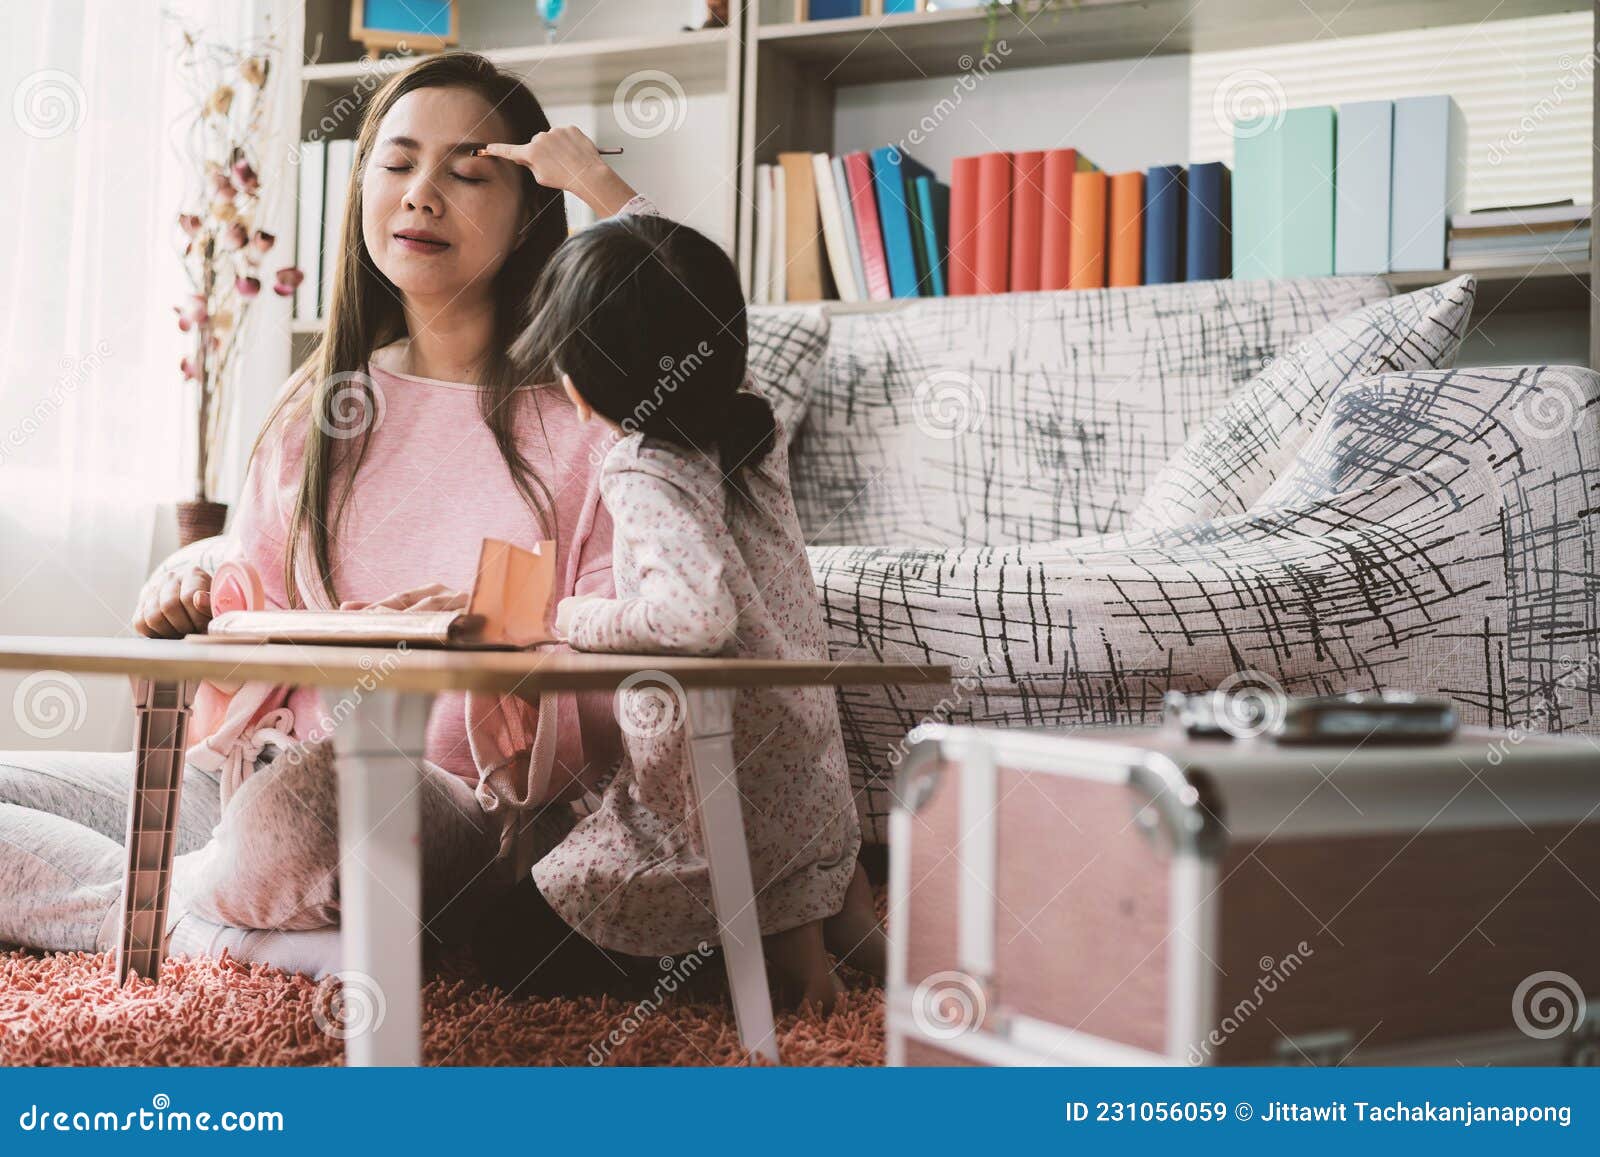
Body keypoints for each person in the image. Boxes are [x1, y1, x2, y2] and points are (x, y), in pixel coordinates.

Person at [0, 52, 640, 977]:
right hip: (246, 780)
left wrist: (479, 637)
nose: (422, 194)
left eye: (466, 172)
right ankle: (216, 928)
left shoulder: (588, 422)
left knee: (316, 801)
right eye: (397, 162)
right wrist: (196, 593)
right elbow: (248, 616)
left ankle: (174, 908)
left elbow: (623, 665)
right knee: (270, 799)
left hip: (437, 804)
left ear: (532, 212)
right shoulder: (321, 405)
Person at [508, 211, 885, 1010]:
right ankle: (839, 925)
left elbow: (695, 618)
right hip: (806, 759)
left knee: (511, 943)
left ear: (584, 376)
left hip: (725, 775)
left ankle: (780, 962)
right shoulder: (746, 419)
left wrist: (576, 615)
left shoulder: (645, 465)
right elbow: (677, 292)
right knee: (790, 858)